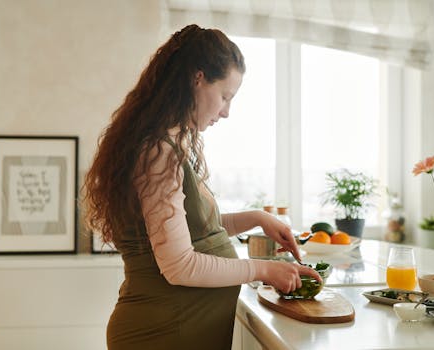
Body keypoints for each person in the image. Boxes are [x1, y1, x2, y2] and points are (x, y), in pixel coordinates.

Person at [83, 24, 320, 350]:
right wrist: (263, 269)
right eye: (225, 96)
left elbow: (191, 230)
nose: (226, 112)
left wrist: (256, 218)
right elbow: (180, 264)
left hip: (178, 326)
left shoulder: (164, 144)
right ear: (197, 79)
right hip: (163, 332)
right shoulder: (158, 153)